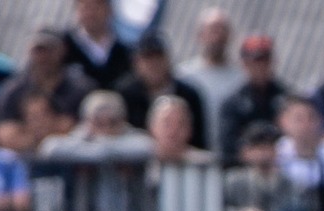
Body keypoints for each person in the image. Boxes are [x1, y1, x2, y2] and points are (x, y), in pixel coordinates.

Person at [115, 31, 205, 146]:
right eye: (147, 58)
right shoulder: (124, 95)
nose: (153, 64)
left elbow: (199, 140)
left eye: (158, 57)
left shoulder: (189, 95)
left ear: (168, 59)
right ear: (136, 63)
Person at [177, 7, 240, 150]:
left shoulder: (241, 78)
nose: (217, 37)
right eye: (212, 30)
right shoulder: (184, 76)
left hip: (229, 156)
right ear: (200, 34)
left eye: (221, 30)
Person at [217, 32, 285, 161]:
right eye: (255, 61)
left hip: (281, 169)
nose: (260, 66)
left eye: (265, 59)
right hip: (242, 171)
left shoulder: (285, 98)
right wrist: (254, 153)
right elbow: (227, 144)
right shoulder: (232, 102)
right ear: (244, 63)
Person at [61, 0, 131, 91]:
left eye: (96, 8)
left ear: (109, 10)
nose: (90, 13)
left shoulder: (124, 50)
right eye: (86, 8)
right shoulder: (64, 47)